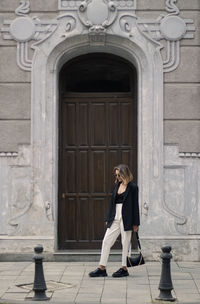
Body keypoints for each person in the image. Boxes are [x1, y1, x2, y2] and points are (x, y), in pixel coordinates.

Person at [89, 164, 140, 278]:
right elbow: (112, 204)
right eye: (116, 175)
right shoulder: (117, 185)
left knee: (125, 242)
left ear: (125, 174)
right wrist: (108, 218)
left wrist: (136, 223)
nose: (118, 177)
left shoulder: (133, 187)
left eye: (119, 175)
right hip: (115, 216)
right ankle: (102, 268)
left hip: (127, 218)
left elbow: (135, 206)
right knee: (106, 240)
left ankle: (124, 268)